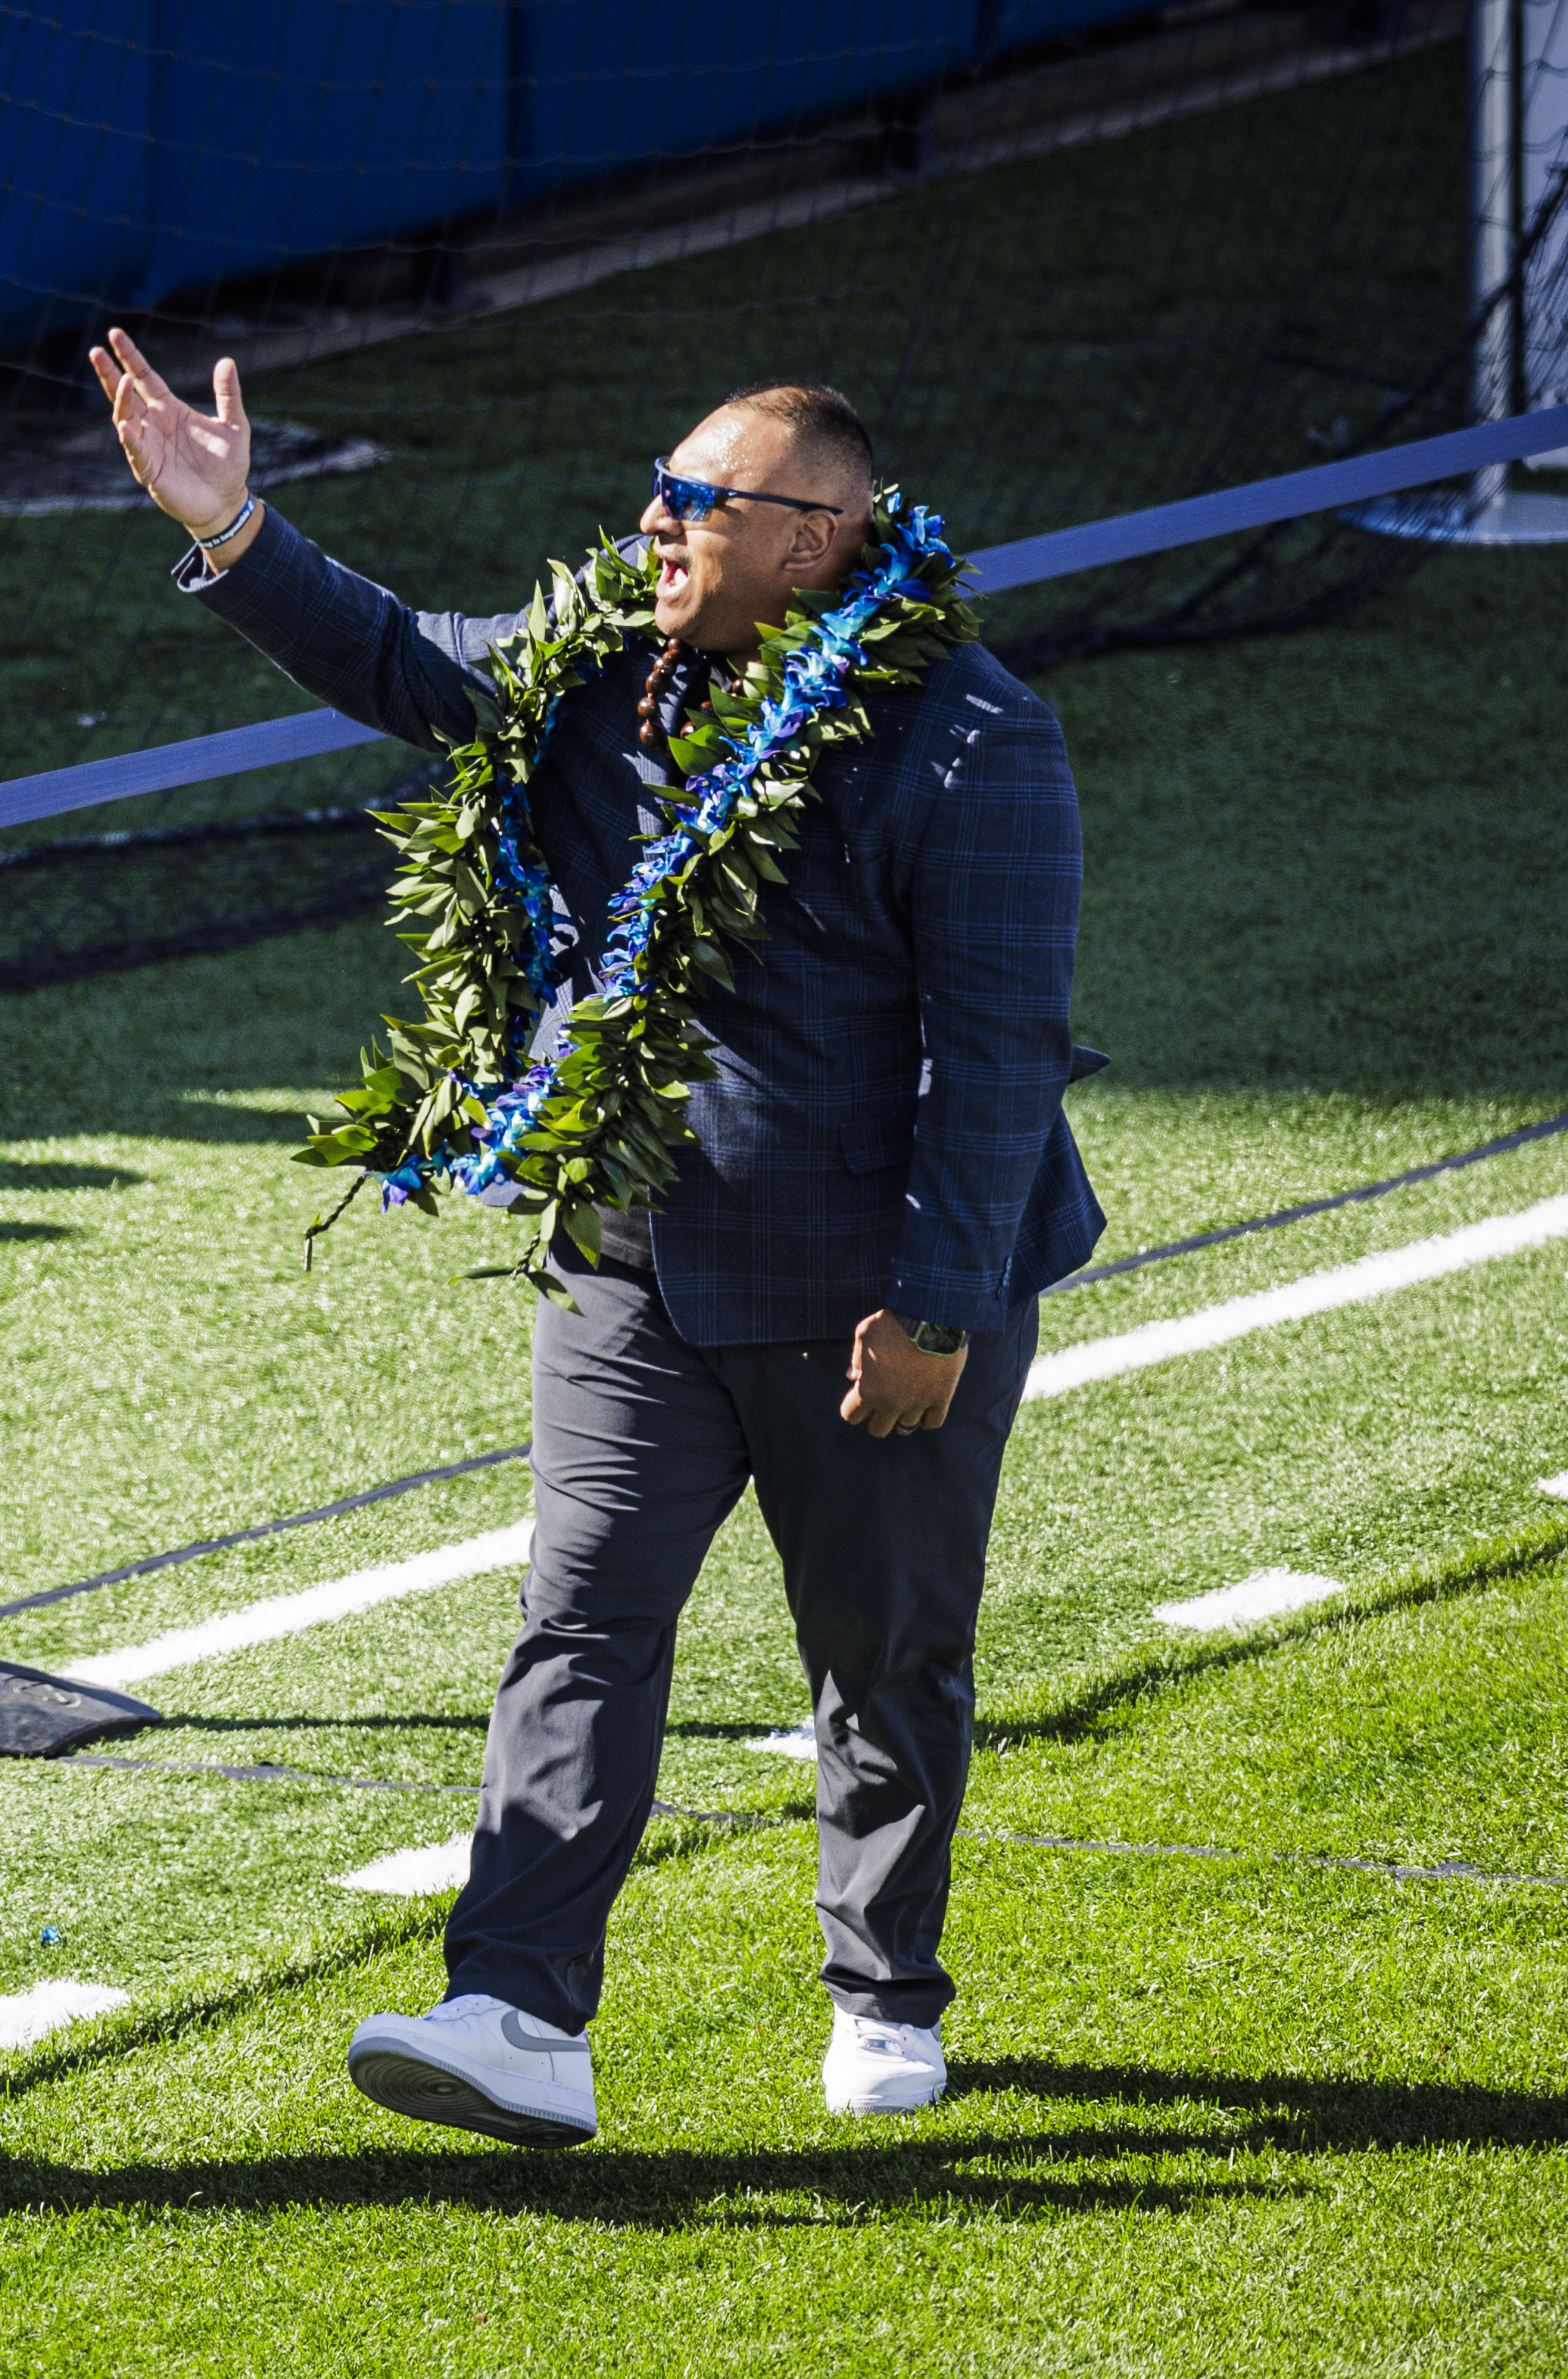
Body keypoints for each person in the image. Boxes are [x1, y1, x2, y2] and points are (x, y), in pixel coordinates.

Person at [92, 332, 1102, 2145]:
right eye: (657, 486)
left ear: (807, 539)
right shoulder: (589, 674)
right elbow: (401, 660)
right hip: (630, 1265)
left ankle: (882, 1989)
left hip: (861, 1296)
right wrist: (230, 520)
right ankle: (516, 2014)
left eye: (689, 502)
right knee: (577, 1625)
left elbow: (997, 1053)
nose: (648, 522)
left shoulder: (969, 739)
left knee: (878, 1652)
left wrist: (939, 1301)